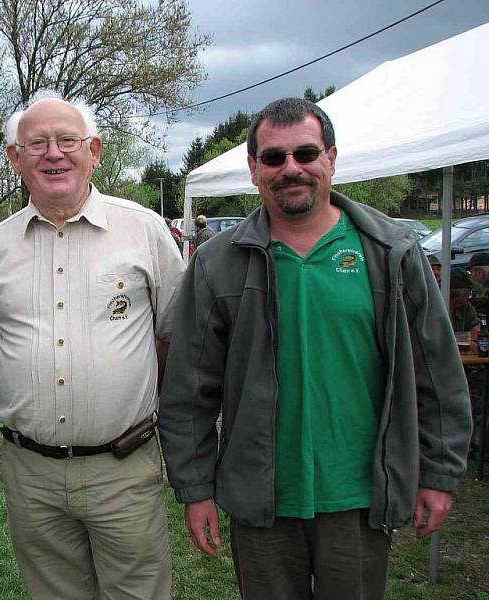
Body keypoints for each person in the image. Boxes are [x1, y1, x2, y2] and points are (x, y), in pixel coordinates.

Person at [158, 97, 471, 600]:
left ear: (331, 157)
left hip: (357, 496)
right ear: (254, 169)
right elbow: (189, 390)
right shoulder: (218, 263)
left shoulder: (391, 253)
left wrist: (439, 473)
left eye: (306, 153)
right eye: (275, 158)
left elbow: (437, 375)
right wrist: (195, 490)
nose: (292, 169)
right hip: (261, 499)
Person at [0, 91, 185, 600]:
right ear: (15, 159)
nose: (54, 154)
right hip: (32, 477)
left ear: (96, 151)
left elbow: (172, 337)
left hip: (124, 471)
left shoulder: (145, 231)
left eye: (67, 140)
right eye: (36, 143)